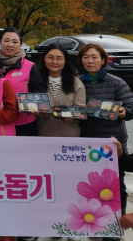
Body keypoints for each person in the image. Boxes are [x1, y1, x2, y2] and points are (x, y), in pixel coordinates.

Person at [78, 43, 133, 217]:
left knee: (116, 184)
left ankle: (118, 223)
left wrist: (125, 112)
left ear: (103, 60)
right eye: (86, 57)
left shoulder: (117, 83)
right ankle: (94, 221)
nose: (90, 61)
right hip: (86, 141)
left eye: (94, 57)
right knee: (89, 183)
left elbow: (130, 108)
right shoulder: (76, 83)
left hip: (112, 142)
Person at [0, 27, 46, 136]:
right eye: (6, 40)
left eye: (15, 41)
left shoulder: (30, 67)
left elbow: (39, 92)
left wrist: (36, 105)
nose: (10, 44)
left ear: (20, 44)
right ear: (0, 42)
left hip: (24, 124)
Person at [36, 43, 86, 137]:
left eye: (59, 58)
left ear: (65, 61)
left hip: (70, 139)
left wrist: (73, 117)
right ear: (44, 59)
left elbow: (80, 110)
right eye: (50, 57)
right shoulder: (36, 80)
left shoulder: (75, 83)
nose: (54, 61)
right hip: (43, 137)